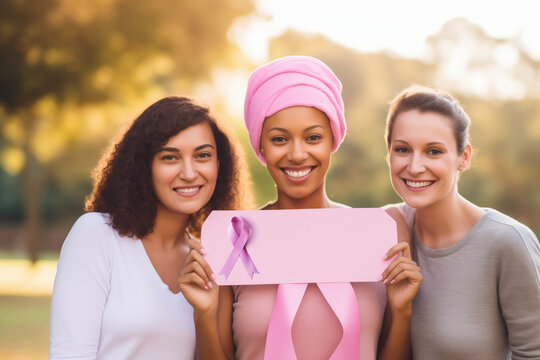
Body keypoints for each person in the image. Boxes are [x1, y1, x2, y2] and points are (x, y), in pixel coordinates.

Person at [184, 56, 422, 360]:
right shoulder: (233, 238)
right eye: (280, 139)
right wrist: (203, 314)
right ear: (261, 146)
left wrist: (402, 310)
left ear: (333, 140)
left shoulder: (382, 231)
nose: (297, 154)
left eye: (313, 137)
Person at [49, 96, 252, 360]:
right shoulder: (97, 235)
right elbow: (70, 354)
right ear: (144, 167)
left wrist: (205, 315)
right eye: (170, 157)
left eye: (202, 156)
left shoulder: (211, 261)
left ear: (218, 166)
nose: (190, 173)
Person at [384, 85, 540, 360]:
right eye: (402, 149)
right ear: (389, 154)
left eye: (433, 151)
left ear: (463, 158)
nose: (415, 166)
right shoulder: (384, 229)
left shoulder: (507, 241)